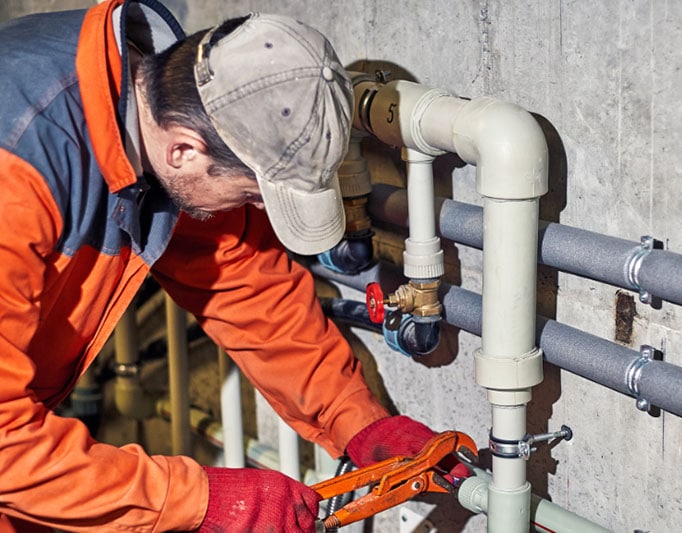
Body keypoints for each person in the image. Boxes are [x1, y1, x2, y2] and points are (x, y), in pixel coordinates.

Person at [0, 0, 465, 531]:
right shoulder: (16, 170)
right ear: (184, 152)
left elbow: (246, 283)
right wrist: (201, 500)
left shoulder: (161, 107)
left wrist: (356, 420)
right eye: (252, 193)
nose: (259, 211)